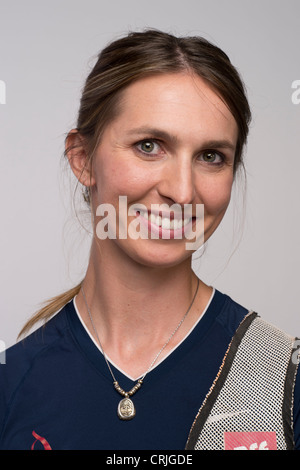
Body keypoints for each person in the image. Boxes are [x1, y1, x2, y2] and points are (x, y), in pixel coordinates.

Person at [0, 29, 299, 451]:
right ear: (82, 160)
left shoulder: (279, 378)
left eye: (211, 156)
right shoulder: (12, 384)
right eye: (149, 146)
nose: (181, 191)